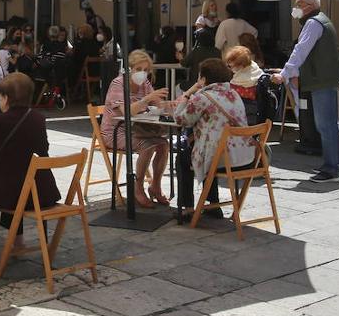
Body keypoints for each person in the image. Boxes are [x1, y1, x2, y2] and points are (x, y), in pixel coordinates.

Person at [0, 72, 57, 269]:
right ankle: (18, 242)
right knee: (14, 183)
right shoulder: (38, 119)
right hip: (42, 193)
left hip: (18, 195)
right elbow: (44, 148)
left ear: (5, 98)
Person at [164, 58, 255, 220]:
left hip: (223, 160)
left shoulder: (202, 97)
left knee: (185, 158)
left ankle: (187, 208)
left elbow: (180, 119)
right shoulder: (234, 94)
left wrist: (186, 94)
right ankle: (213, 204)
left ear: (203, 78)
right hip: (246, 158)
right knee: (206, 150)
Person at [272, 0, 339, 183]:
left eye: (298, 4)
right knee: (330, 124)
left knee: (324, 125)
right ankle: (335, 164)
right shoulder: (320, 20)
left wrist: (284, 74)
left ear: (308, 7)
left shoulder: (313, 23)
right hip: (325, 78)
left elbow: (300, 50)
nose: (295, 8)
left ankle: (331, 169)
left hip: (321, 79)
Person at [100, 49, 171, 208]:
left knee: (163, 145)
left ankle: (155, 186)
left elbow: (157, 105)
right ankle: (137, 187)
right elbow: (126, 112)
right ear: (130, 68)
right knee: (148, 146)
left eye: (146, 70)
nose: (142, 73)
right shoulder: (119, 83)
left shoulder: (145, 84)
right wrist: (147, 99)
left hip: (136, 130)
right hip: (115, 131)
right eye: (139, 69)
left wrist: (171, 104)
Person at [225, 45, 264, 120]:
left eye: (231, 66)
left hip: (245, 108)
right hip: (256, 107)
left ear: (241, 65)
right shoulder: (255, 68)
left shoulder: (241, 79)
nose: (230, 68)